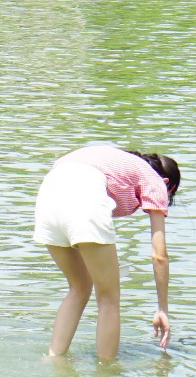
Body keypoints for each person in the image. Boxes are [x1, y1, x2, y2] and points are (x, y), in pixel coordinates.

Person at [34, 144, 180, 360]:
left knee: (79, 287)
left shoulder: (117, 161)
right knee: (108, 299)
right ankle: (109, 376)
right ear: (167, 183)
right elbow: (159, 255)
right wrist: (162, 309)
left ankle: (54, 358)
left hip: (47, 197)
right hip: (84, 199)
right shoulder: (155, 180)